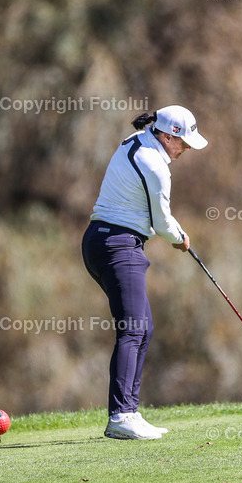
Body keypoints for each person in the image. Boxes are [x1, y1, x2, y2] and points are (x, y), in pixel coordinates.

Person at [81, 104, 208, 439]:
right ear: (167, 136)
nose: (185, 150)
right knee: (134, 327)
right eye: (183, 143)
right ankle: (121, 416)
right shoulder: (155, 165)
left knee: (142, 327)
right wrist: (181, 239)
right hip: (117, 245)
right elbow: (161, 221)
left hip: (102, 242)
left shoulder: (136, 140)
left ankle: (129, 412)